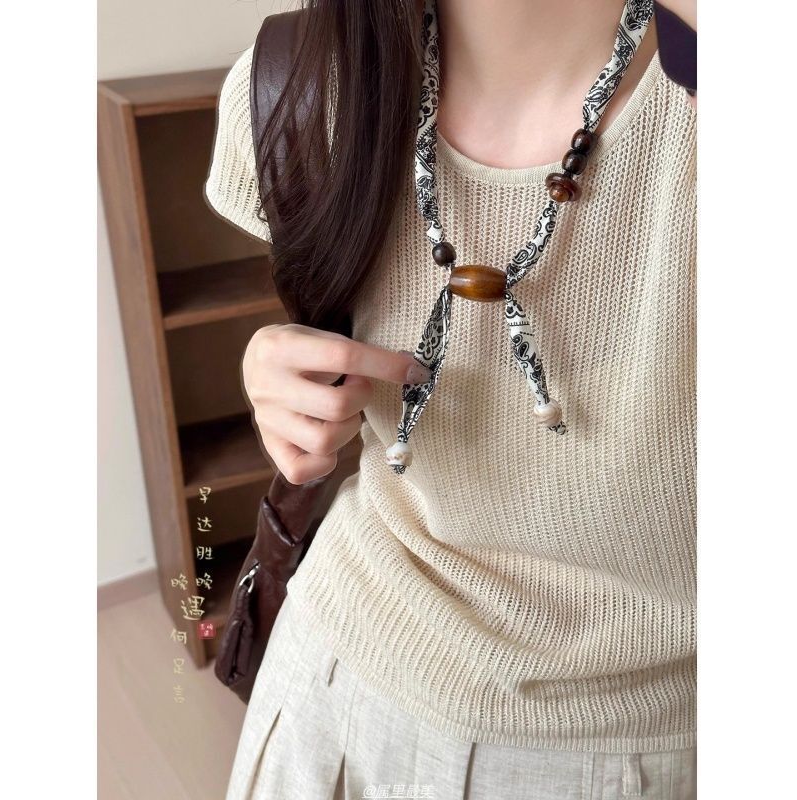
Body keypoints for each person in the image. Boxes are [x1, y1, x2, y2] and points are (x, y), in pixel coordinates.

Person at [204, 0, 697, 797]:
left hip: (651, 733)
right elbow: (321, 322)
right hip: (340, 681)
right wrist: (277, 373)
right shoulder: (304, 86)